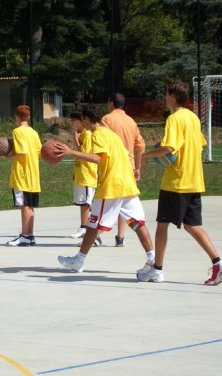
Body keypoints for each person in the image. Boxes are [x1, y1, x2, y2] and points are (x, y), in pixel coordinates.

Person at [138, 81, 222, 285]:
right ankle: (219, 264)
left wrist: (145, 155)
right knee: (192, 225)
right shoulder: (193, 118)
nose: (165, 98)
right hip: (194, 180)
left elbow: (169, 148)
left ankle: (157, 269)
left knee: (162, 225)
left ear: (173, 96)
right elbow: (199, 143)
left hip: (176, 182)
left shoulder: (174, 118)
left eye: (166, 94)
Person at [55, 106, 155, 274]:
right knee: (138, 223)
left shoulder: (98, 134)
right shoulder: (112, 135)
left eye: (83, 120)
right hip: (127, 184)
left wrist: (71, 151)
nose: (83, 123)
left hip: (112, 186)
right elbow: (125, 155)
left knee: (93, 224)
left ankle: (78, 261)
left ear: (87, 119)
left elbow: (97, 158)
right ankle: (154, 262)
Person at [102, 93, 146, 247]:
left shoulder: (107, 119)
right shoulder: (131, 121)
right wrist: (137, 167)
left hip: (114, 167)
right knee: (125, 203)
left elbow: (103, 142)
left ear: (111, 103)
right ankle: (120, 237)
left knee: (105, 201)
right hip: (129, 167)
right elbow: (141, 146)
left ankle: (95, 234)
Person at [5, 105, 42, 247]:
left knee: (24, 206)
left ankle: (25, 236)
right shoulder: (34, 132)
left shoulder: (17, 131)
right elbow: (39, 152)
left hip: (22, 174)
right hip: (33, 173)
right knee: (30, 206)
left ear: (17, 117)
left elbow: (21, 152)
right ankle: (30, 235)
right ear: (28, 116)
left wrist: (8, 155)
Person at [68, 111, 99, 243]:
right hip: (81, 174)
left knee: (86, 204)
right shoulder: (82, 134)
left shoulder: (87, 134)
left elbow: (85, 154)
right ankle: (85, 226)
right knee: (83, 203)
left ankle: (85, 227)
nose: (72, 123)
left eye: (74, 120)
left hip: (87, 174)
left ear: (81, 121)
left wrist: (76, 141)